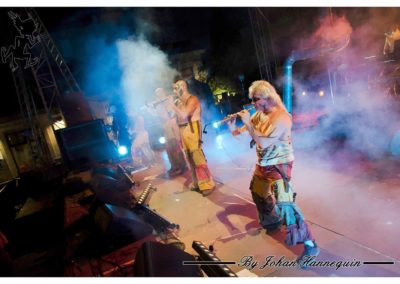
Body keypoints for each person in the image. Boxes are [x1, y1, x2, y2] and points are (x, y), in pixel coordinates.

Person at [226, 80, 319, 268]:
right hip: (264, 164)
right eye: (252, 100)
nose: (253, 104)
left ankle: (310, 245)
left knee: (286, 206)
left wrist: (248, 123)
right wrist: (231, 126)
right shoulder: (259, 115)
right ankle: (271, 222)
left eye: (255, 100)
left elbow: (263, 142)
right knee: (258, 192)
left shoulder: (282, 117)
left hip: (279, 166)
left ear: (267, 97)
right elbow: (241, 134)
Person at [167, 80, 216, 197]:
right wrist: (167, 106)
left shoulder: (192, 99)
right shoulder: (178, 101)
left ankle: (208, 185)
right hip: (183, 131)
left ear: (183, 87)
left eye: (176, 88)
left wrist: (172, 105)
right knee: (189, 159)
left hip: (192, 129)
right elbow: (172, 116)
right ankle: (197, 183)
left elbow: (184, 115)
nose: (174, 91)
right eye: (173, 88)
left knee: (197, 158)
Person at [153, 88, 187, 177]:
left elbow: (171, 113)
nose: (158, 95)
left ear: (163, 92)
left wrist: (165, 103)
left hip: (172, 125)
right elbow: (157, 116)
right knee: (168, 148)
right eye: (156, 94)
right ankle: (174, 166)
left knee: (176, 146)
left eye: (159, 92)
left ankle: (182, 166)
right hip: (165, 127)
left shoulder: (169, 99)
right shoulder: (157, 104)